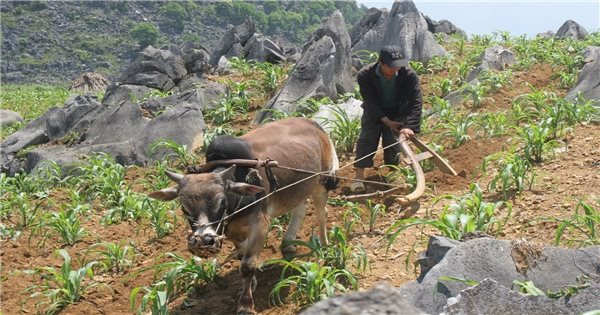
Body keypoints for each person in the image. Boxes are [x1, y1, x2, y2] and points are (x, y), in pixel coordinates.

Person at [351, 45, 423, 193]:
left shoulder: (408, 75)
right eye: (391, 67)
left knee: (393, 143)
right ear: (381, 63)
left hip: (397, 110)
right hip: (374, 111)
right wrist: (385, 120)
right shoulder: (365, 75)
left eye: (398, 66)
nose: (395, 70)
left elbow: (416, 101)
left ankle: (392, 175)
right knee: (367, 139)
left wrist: (409, 125)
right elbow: (369, 101)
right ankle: (358, 178)